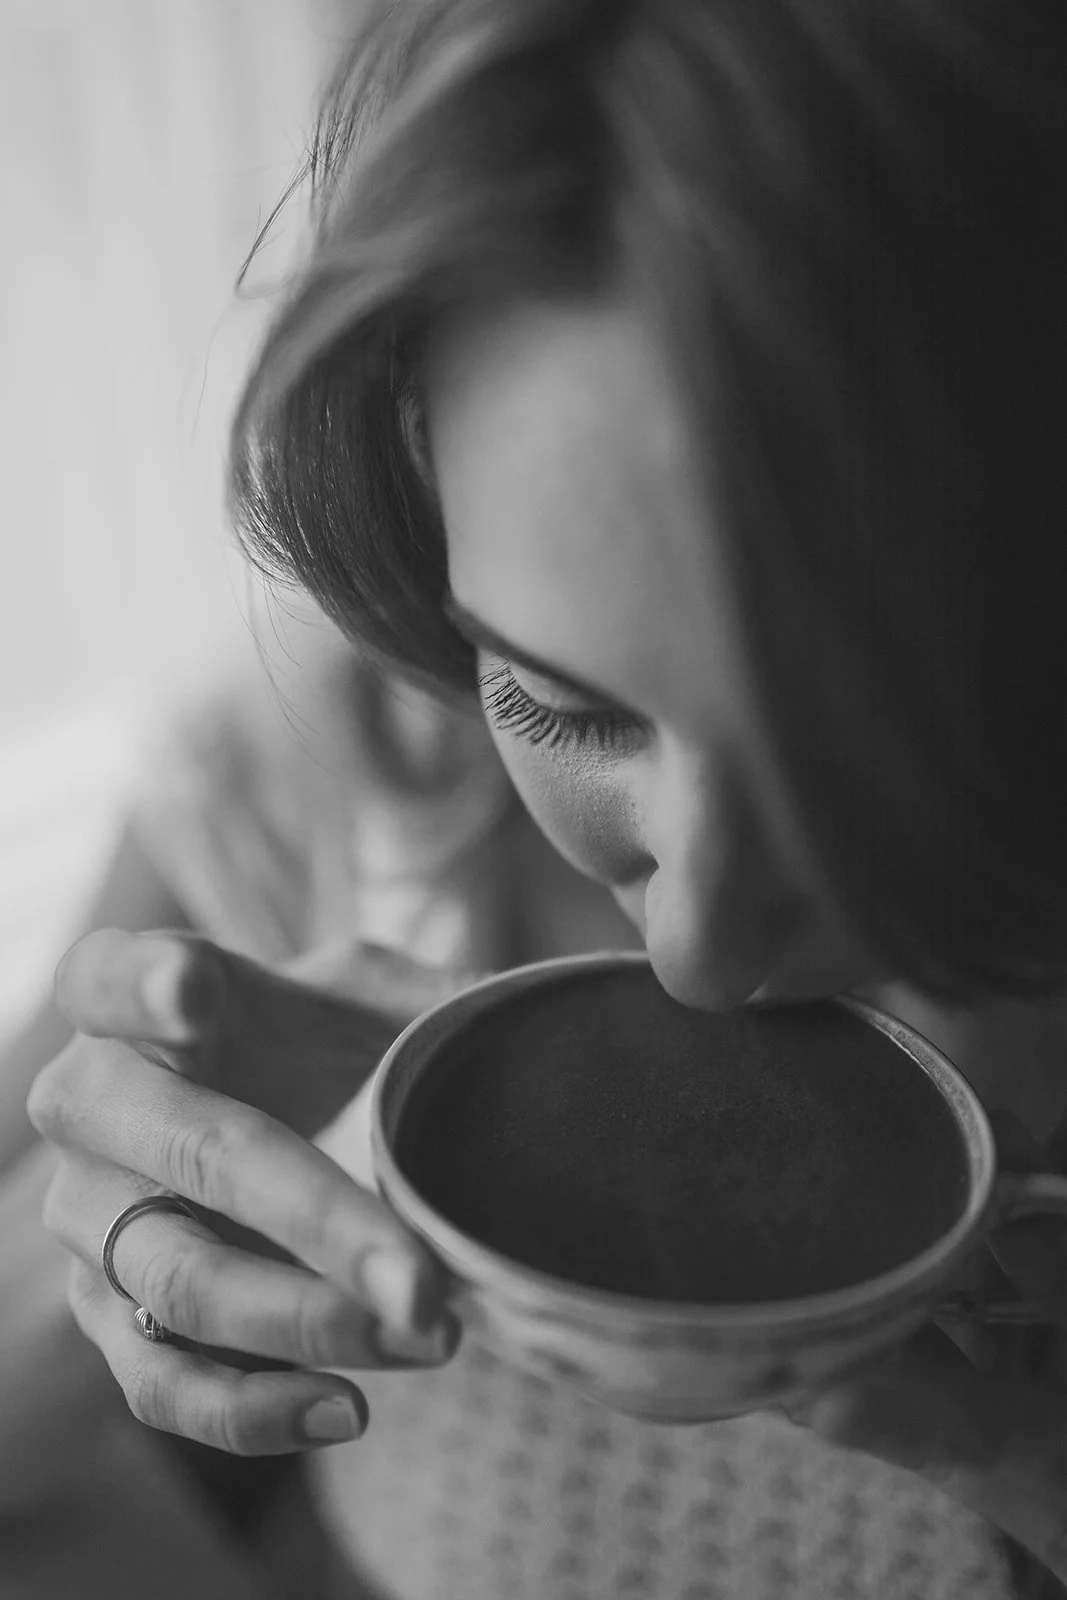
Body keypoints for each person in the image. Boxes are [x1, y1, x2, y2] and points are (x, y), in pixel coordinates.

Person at [19, 0, 1067, 1594]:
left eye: (864, 758)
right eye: (556, 705)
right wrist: (94, 1259)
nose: (699, 948)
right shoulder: (329, 781)